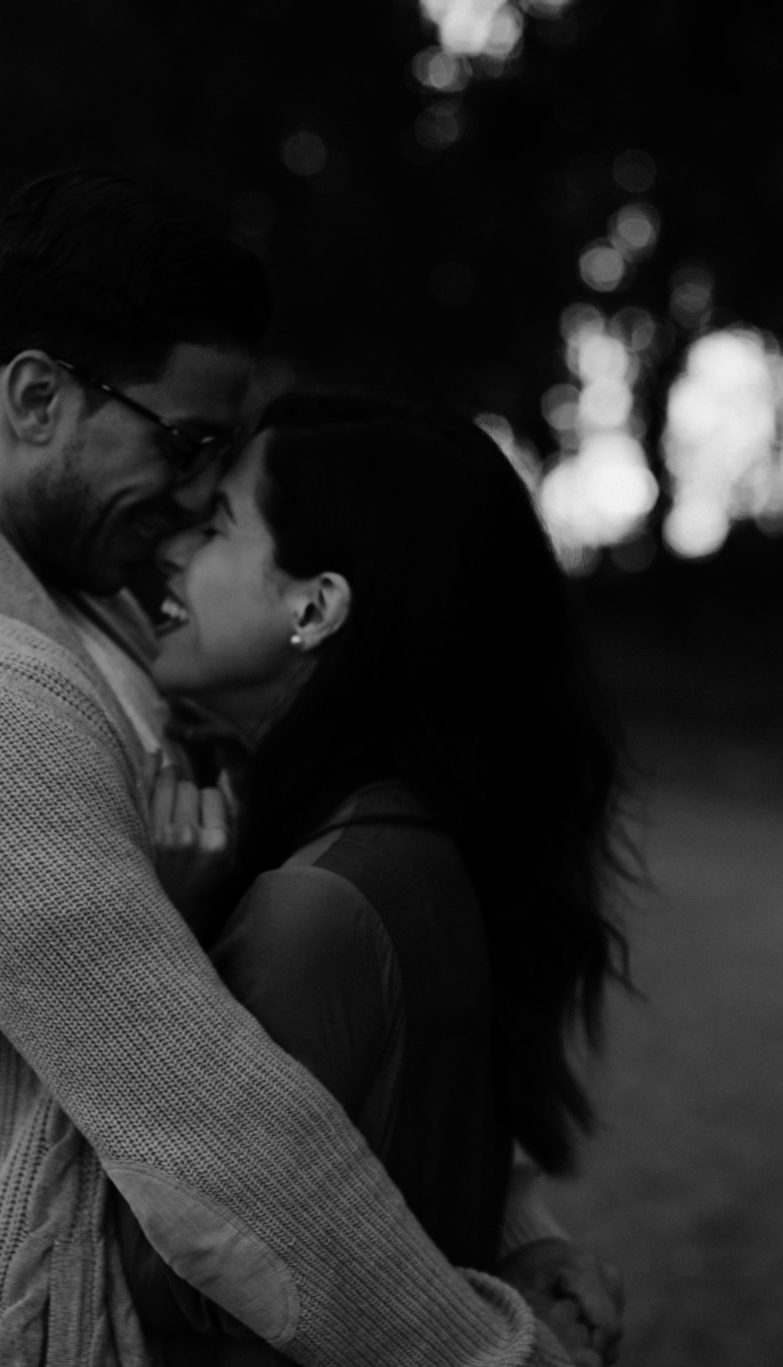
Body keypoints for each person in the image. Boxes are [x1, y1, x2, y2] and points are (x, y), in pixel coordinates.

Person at [0, 171, 580, 1366]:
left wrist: (506, 1221)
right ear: (38, 395)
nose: (207, 489)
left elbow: (332, 1025)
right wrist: (483, 1353)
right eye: (187, 442)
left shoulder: (70, 596)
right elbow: (213, 1125)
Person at [114, 395, 632, 1366]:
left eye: (217, 523)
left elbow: (181, 1271)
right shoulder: (422, 842)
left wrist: (159, 929)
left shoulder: (312, 905)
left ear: (313, 605)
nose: (174, 551)